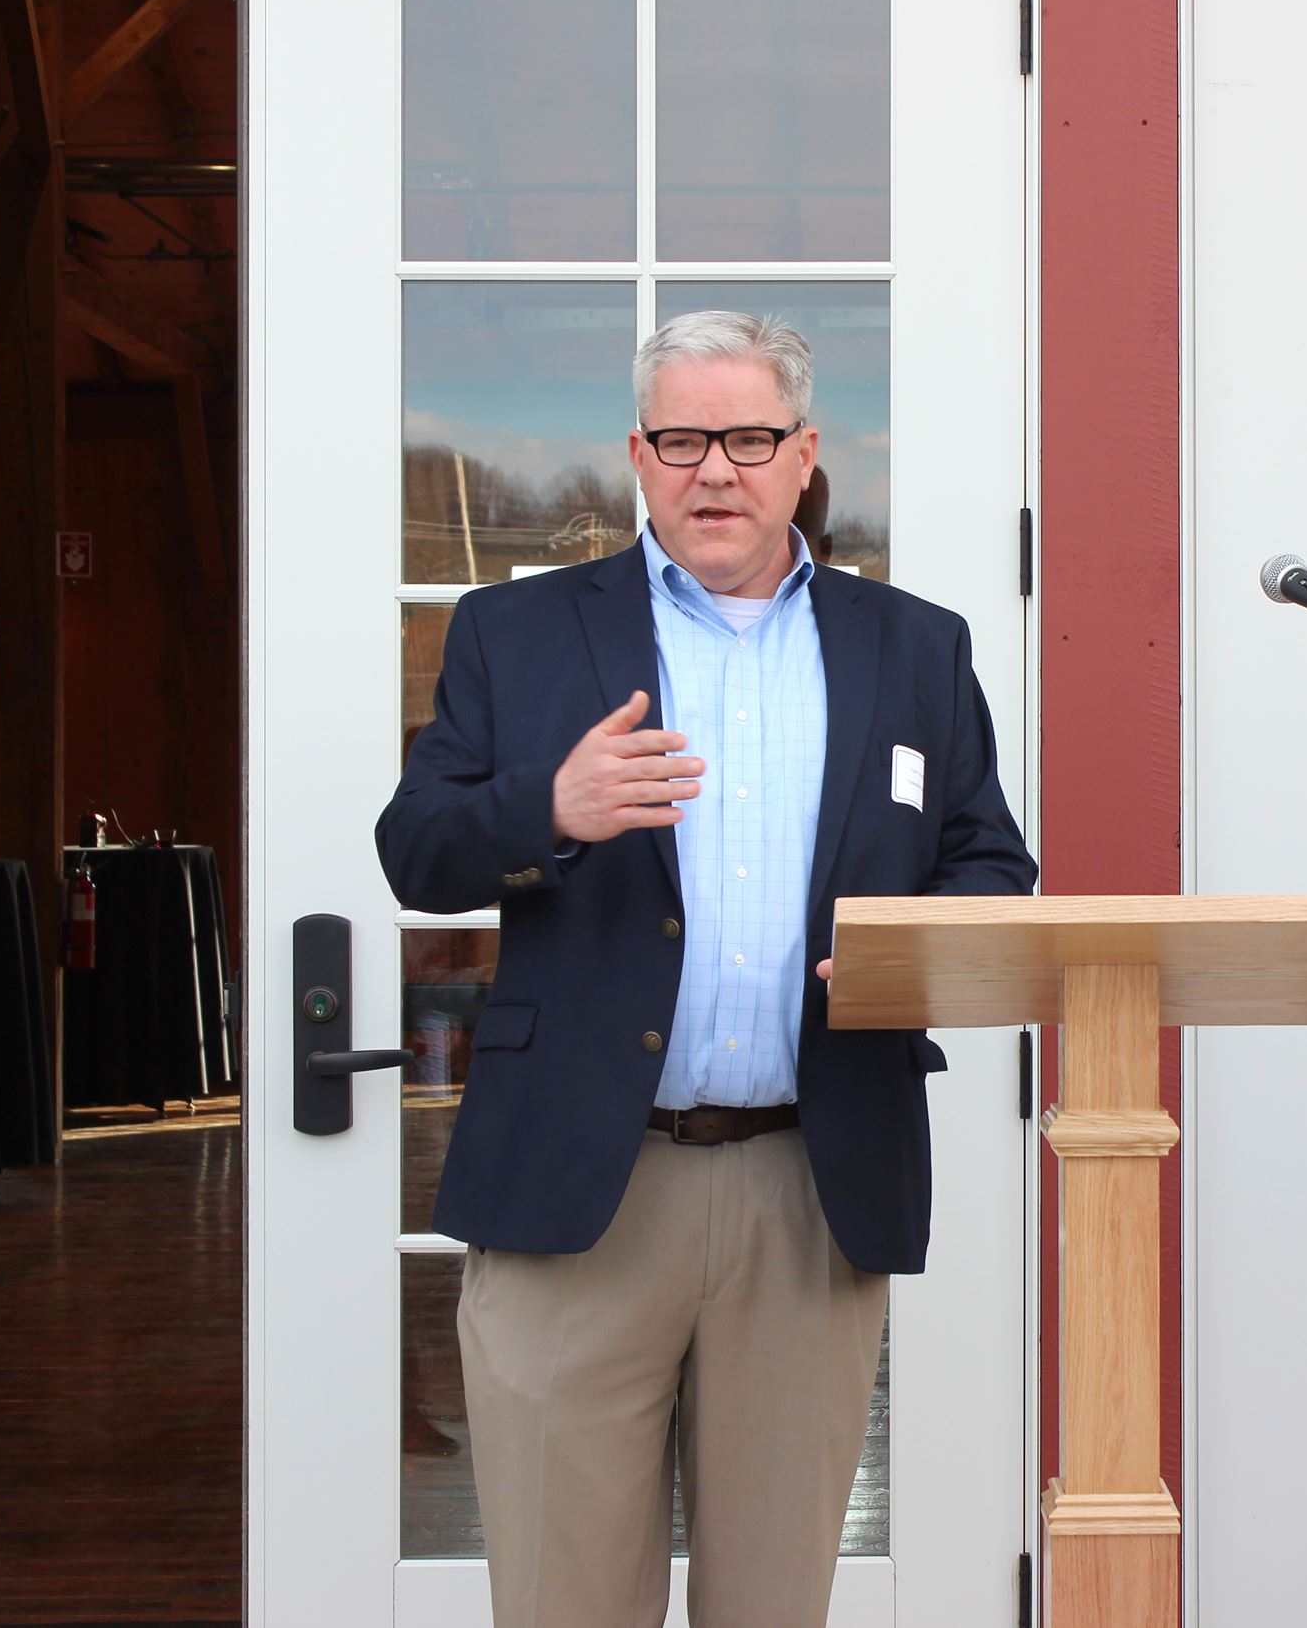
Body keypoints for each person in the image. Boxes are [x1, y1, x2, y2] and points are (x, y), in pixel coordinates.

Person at [376, 310, 1036, 1628]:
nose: (713, 469)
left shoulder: (915, 648)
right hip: (579, 1190)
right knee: (565, 1603)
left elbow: (991, 862)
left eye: (747, 437)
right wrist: (547, 805)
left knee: (772, 1604)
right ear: (639, 452)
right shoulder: (519, 633)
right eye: (682, 438)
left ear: (802, 455)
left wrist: (908, 945)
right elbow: (418, 849)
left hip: (812, 1179)